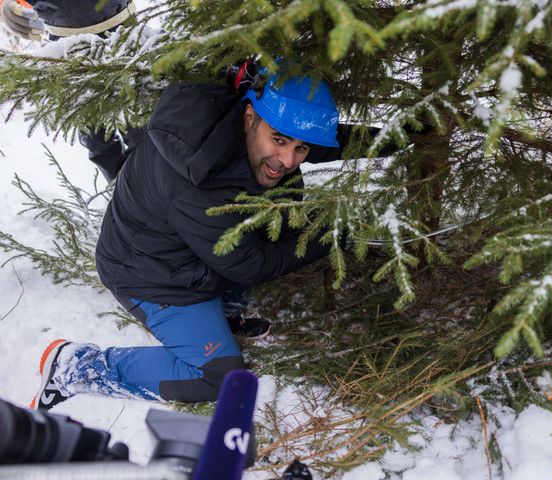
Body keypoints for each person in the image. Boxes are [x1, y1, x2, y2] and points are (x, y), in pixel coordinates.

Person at [30, 67, 350, 409]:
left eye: (300, 148)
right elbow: (251, 265)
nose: (288, 159)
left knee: (277, 213)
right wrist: (333, 235)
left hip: (185, 252)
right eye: (279, 140)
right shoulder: (197, 182)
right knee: (218, 378)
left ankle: (221, 311)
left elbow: (307, 139)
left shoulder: (229, 125)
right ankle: (75, 368)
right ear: (249, 116)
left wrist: (403, 133)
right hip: (151, 276)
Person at [0, 0, 143, 180]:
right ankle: (124, 195)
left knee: (142, 129)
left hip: (123, 33)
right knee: (98, 142)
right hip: (68, 46)